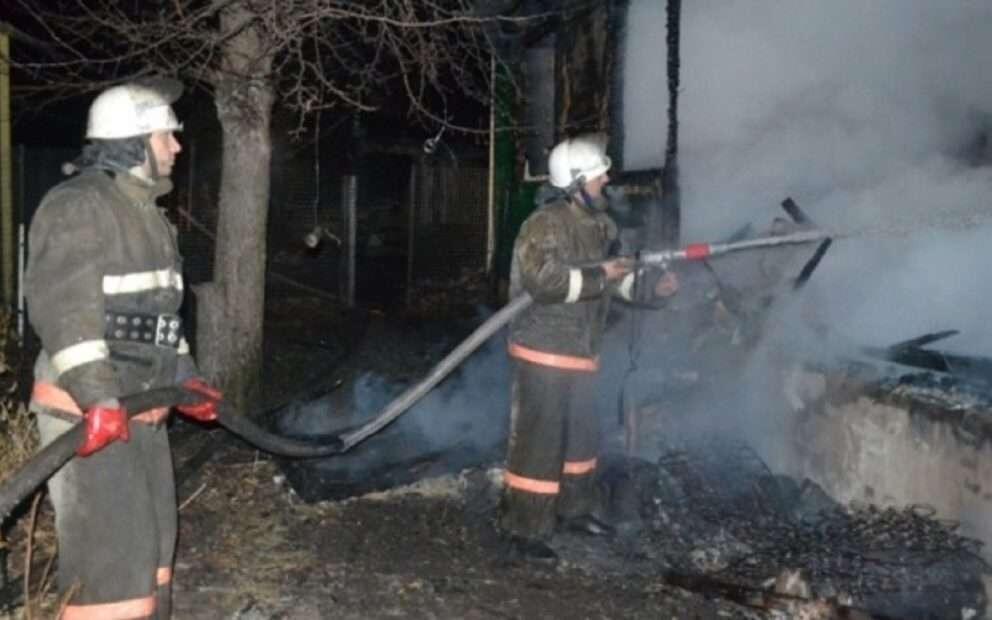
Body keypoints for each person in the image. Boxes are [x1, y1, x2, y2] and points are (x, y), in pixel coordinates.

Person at [24, 79, 221, 619]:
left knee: (153, 559)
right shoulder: (80, 206)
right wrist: (99, 400)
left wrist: (186, 378)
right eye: (166, 136)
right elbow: (66, 315)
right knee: (112, 573)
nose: (177, 147)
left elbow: (160, 319)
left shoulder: (148, 216)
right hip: (91, 416)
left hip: (141, 411)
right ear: (133, 143)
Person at [500, 134, 679, 560]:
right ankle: (525, 528)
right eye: (599, 175)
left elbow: (616, 281)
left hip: (582, 351)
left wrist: (653, 289)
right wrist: (602, 276)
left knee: (582, 441)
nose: (606, 181)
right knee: (539, 444)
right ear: (577, 181)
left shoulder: (601, 227)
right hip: (545, 351)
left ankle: (574, 511)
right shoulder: (544, 225)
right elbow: (543, 281)